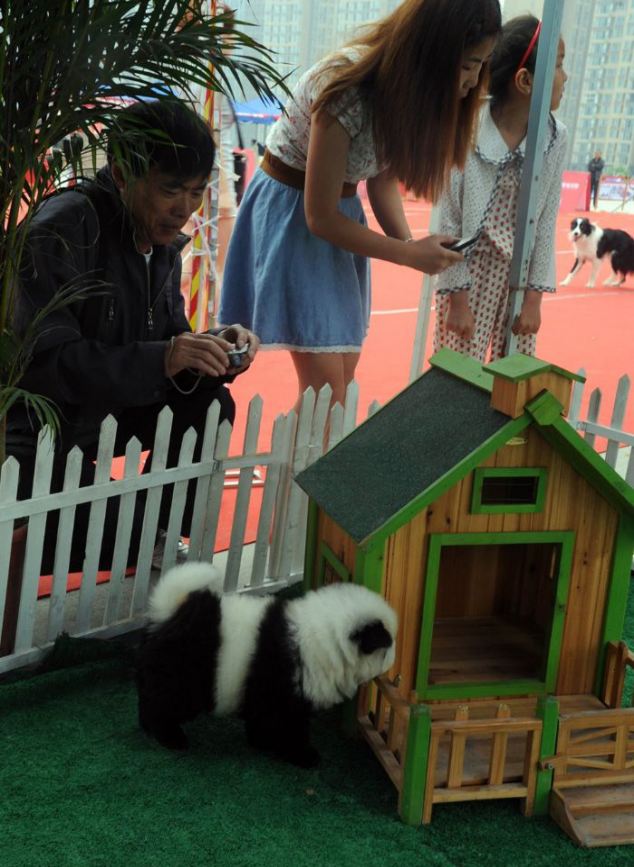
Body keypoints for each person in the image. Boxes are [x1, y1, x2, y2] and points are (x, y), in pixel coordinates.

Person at [8, 99, 259, 572]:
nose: (184, 208)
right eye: (171, 190)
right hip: (40, 432)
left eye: (196, 191)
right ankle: (129, 540)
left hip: (105, 413)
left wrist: (213, 349)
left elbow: (167, 348)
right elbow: (44, 368)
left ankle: (153, 537)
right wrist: (165, 357)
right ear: (123, 175)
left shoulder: (157, 241)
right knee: (83, 540)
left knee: (210, 407)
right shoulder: (64, 228)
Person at [219, 0, 502, 408]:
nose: (474, 81)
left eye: (482, 65)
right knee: (326, 390)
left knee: (342, 379)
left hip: (338, 220)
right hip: (293, 215)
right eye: (465, 65)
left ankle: (298, 469)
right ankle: (300, 471)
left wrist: (414, 245)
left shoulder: (410, 96)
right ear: (428, 54)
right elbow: (320, 216)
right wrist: (407, 253)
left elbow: (382, 178)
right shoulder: (349, 89)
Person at [433, 14, 568, 363]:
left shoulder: (554, 138)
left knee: (512, 376)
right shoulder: (468, 125)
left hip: (519, 274)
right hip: (469, 271)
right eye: (558, 65)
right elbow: (449, 219)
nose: (564, 78)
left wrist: (533, 300)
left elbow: (546, 219)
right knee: (458, 374)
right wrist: (458, 300)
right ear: (525, 80)